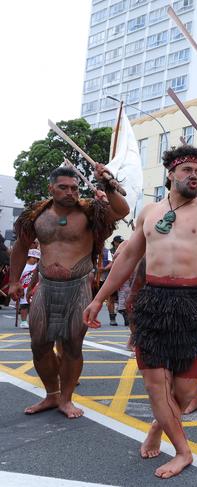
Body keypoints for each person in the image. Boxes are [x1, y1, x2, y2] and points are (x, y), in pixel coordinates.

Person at [83, 111, 197, 479]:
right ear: (171, 175)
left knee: (182, 391)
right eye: (187, 170)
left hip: (195, 304)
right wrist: (100, 298)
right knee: (154, 383)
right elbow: (129, 257)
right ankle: (183, 452)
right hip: (154, 303)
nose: (195, 176)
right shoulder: (149, 212)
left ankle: (157, 427)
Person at [9, 165, 129, 418]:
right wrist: (13, 281)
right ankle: (52, 395)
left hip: (78, 287)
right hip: (46, 286)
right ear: (51, 188)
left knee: (73, 345)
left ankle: (66, 399)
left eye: (74, 188)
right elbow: (20, 247)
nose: (70, 192)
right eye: (63, 187)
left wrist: (107, 182)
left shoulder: (90, 212)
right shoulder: (36, 216)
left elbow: (121, 210)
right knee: (39, 344)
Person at [17, 248, 41, 329]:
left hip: (34, 289)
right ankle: (23, 322)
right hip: (24, 289)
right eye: (33, 258)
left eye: (37, 259)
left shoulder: (38, 267)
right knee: (24, 305)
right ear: (28, 257)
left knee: (35, 306)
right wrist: (19, 289)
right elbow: (18, 279)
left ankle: (35, 321)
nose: (35, 260)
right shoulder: (22, 266)